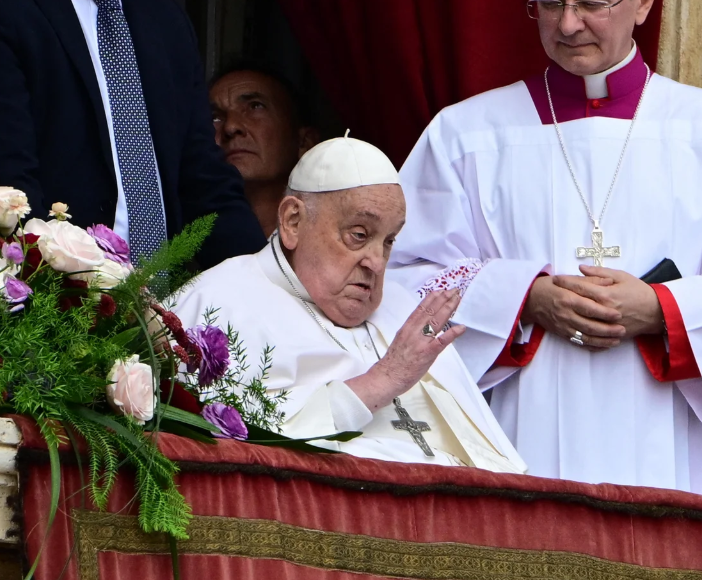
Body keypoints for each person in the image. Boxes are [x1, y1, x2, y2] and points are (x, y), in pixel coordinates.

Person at [388, 0, 702, 501]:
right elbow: (404, 276)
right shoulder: (463, 135)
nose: (568, 24)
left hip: (669, 442)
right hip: (519, 434)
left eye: (591, 3)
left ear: (641, 5)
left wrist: (660, 310)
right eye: (551, 4)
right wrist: (525, 297)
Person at [173, 135, 526, 473]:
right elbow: (237, 449)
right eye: (359, 234)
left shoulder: (401, 308)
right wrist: (381, 381)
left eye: (388, 241)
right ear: (293, 221)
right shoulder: (220, 301)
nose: (376, 261)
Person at [0, 0, 265, 268]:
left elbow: (205, 181)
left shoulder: (165, 17)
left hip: (165, 298)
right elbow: (13, 185)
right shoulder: (15, 11)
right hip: (58, 291)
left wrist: (263, 280)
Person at [210, 65, 319, 238]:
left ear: (303, 142)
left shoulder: (332, 249)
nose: (230, 127)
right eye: (215, 117)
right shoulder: (181, 249)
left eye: (255, 107)